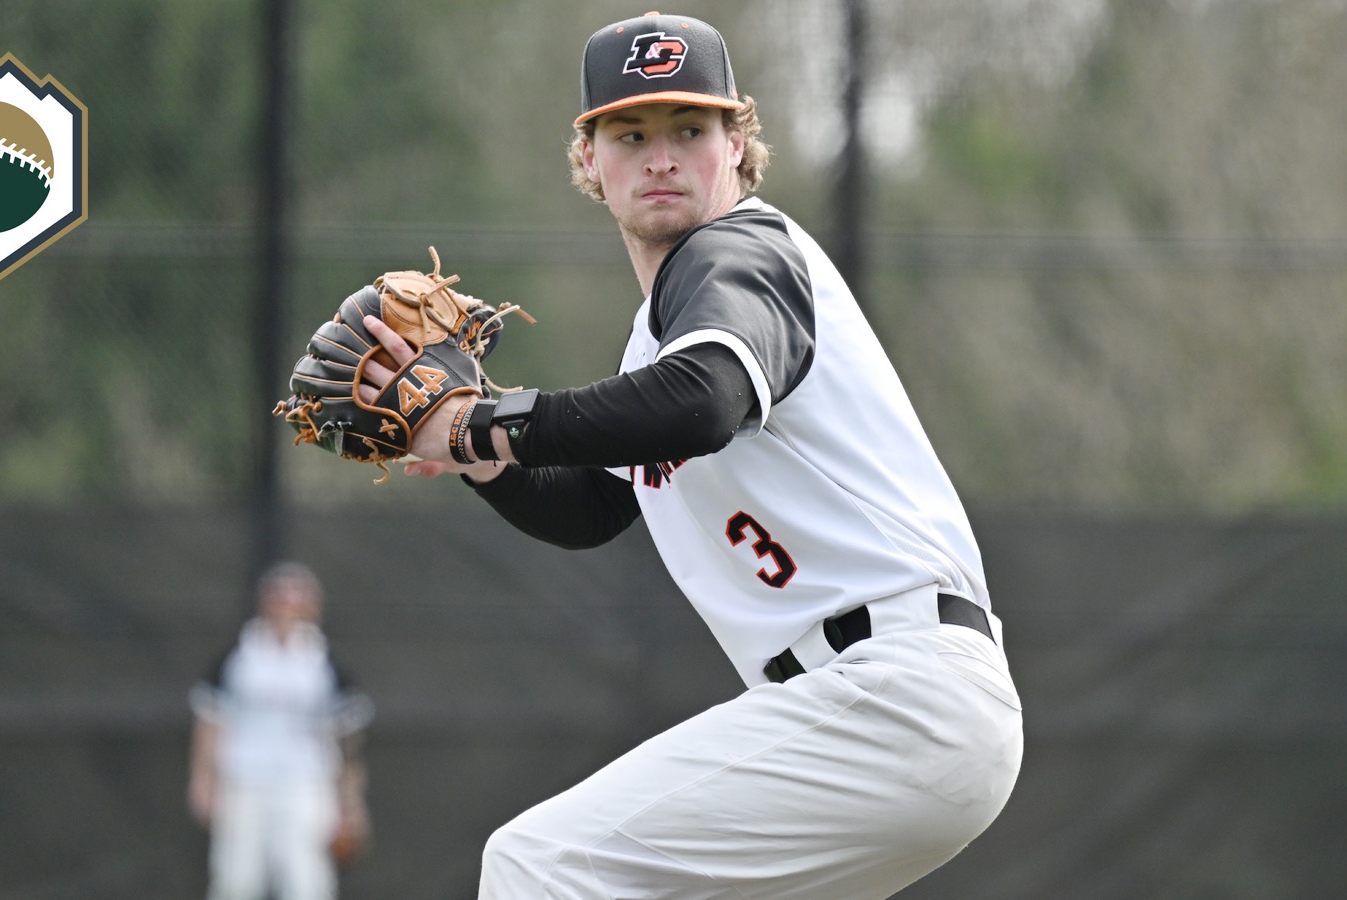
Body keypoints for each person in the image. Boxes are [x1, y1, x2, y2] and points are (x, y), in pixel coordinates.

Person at [361, 11, 1022, 898]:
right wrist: (481, 458)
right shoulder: (658, 337)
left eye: (689, 129)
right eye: (630, 133)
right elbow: (593, 505)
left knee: (539, 868)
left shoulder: (739, 254)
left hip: (895, 694)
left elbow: (703, 400)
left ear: (737, 147)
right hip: (881, 713)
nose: (660, 156)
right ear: (589, 159)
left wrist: (484, 420)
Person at [188, 561, 374, 900]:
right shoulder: (239, 655)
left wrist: (350, 799)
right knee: (236, 880)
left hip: (305, 782)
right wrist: (203, 779)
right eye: (281, 594)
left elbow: (347, 735)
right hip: (243, 780)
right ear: (264, 600)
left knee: (306, 881)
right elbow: (211, 719)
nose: (289, 603)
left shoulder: (325, 660)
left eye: (299, 594)